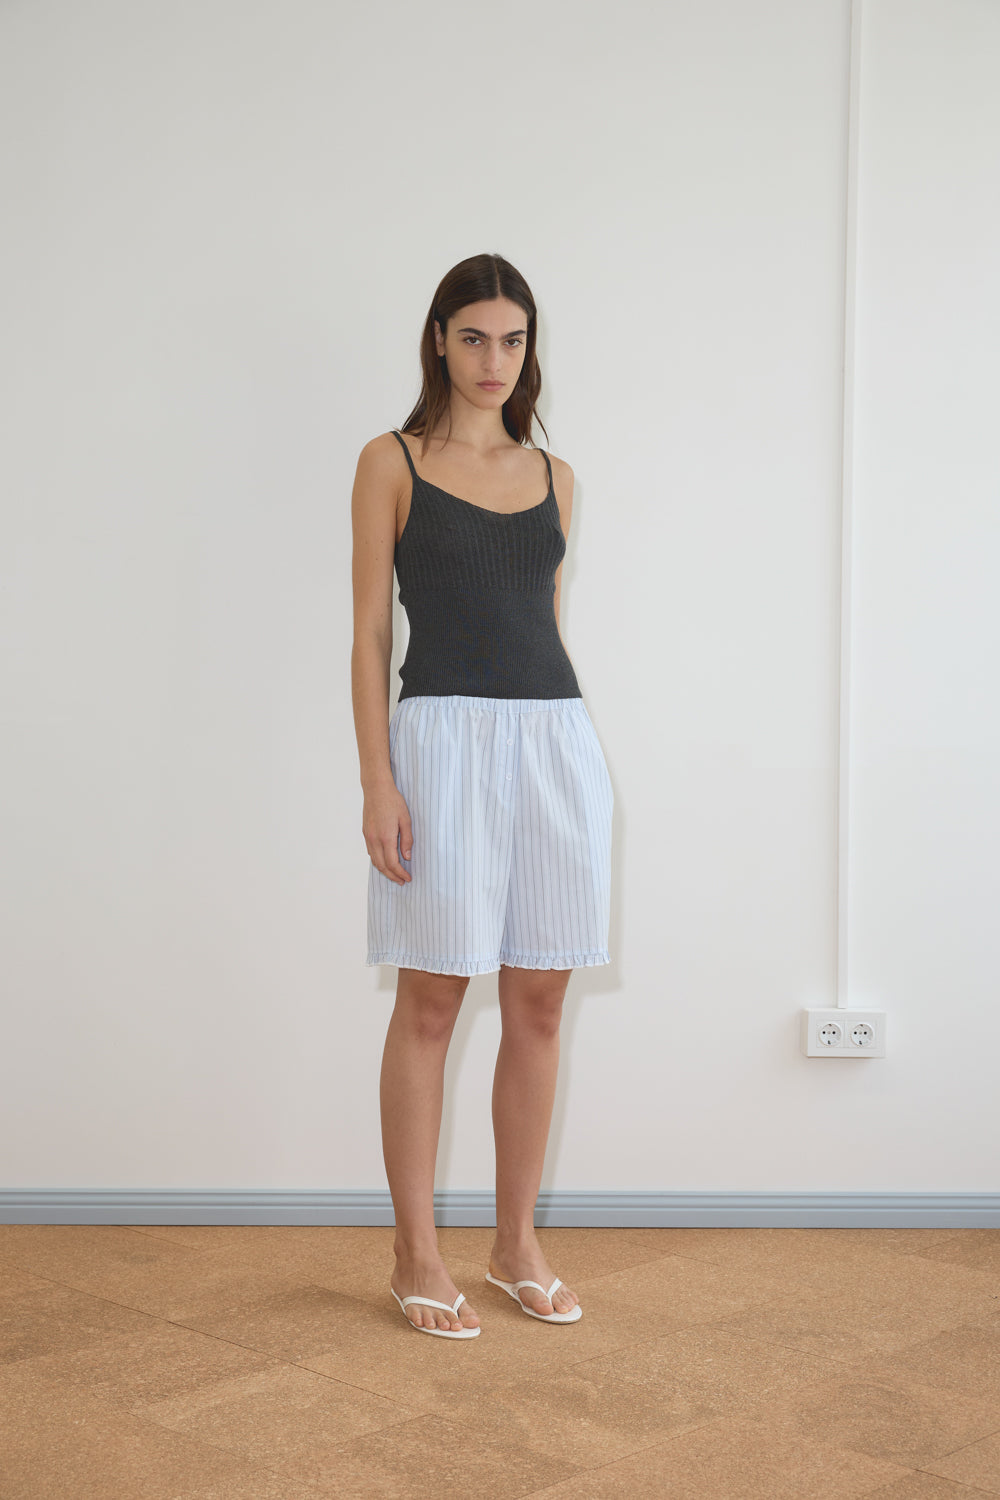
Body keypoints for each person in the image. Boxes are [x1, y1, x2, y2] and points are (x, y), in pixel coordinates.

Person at [350, 253, 613, 1339]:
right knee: (431, 1001)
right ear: (440, 341)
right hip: (440, 746)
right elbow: (370, 633)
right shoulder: (390, 461)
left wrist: (554, 763)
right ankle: (416, 1252)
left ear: (527, 348)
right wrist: (378, 778)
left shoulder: (558, 480)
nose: (493, 360)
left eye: (511, 340)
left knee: (541, 1001)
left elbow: (542, 628)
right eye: (473, 338)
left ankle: (514, 1245)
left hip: (553, 745)